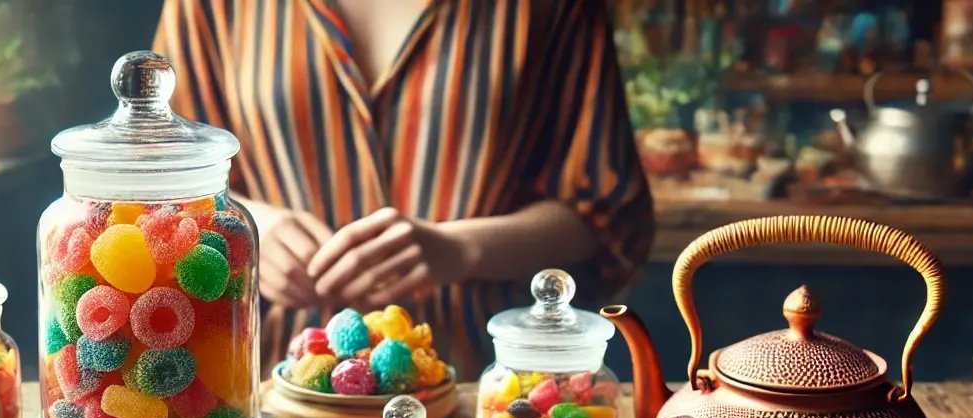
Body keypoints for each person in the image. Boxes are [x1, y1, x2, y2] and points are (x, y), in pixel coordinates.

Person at [153, 0, 654, 372]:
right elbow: (161, 184)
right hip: (268, 385)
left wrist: (460, 248)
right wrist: (251, 224)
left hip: (483, 392)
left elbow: (605, 211)